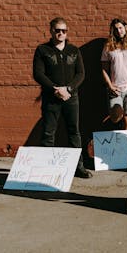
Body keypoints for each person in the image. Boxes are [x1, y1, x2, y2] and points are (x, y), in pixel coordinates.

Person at [33, 17, 92, 178]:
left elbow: (81, 74)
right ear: (51, 31)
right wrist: (55, 89)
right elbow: (38, 74)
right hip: (51, 98)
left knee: (74, 132)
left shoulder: (74, 50)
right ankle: (46, 169)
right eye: (57, 30)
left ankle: (78, 167)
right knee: (48, 133)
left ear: (67, 33)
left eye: (63, 31)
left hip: (71, 98)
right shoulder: (42, 50)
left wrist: (68, 89)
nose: (60, 33)